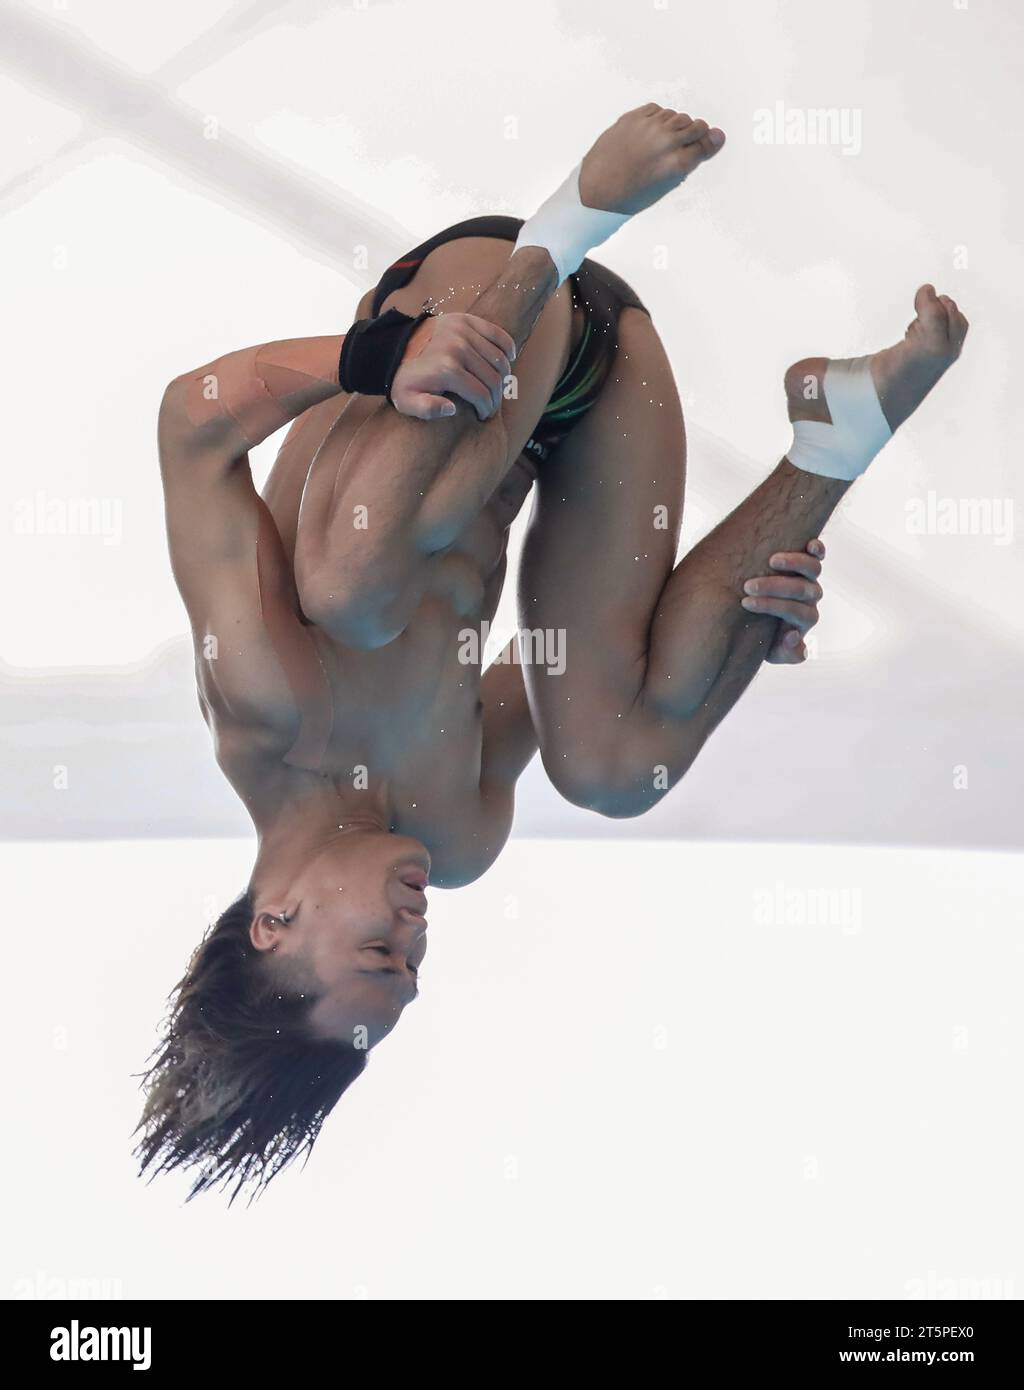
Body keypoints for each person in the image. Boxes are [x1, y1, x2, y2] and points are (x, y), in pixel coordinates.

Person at [138, 103, 968, 1199]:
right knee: (619, 769)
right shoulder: (458, 832)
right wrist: (729, 635)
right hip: (600, 382)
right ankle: (835, 433)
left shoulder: (263, 706)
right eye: (417, 969)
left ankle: (573, 213)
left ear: (274, 919)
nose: (416, 935)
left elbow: (187, 423)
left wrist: (375, 355)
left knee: (349, 582)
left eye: (381, 954)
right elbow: (578, 668)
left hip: (476, 304)